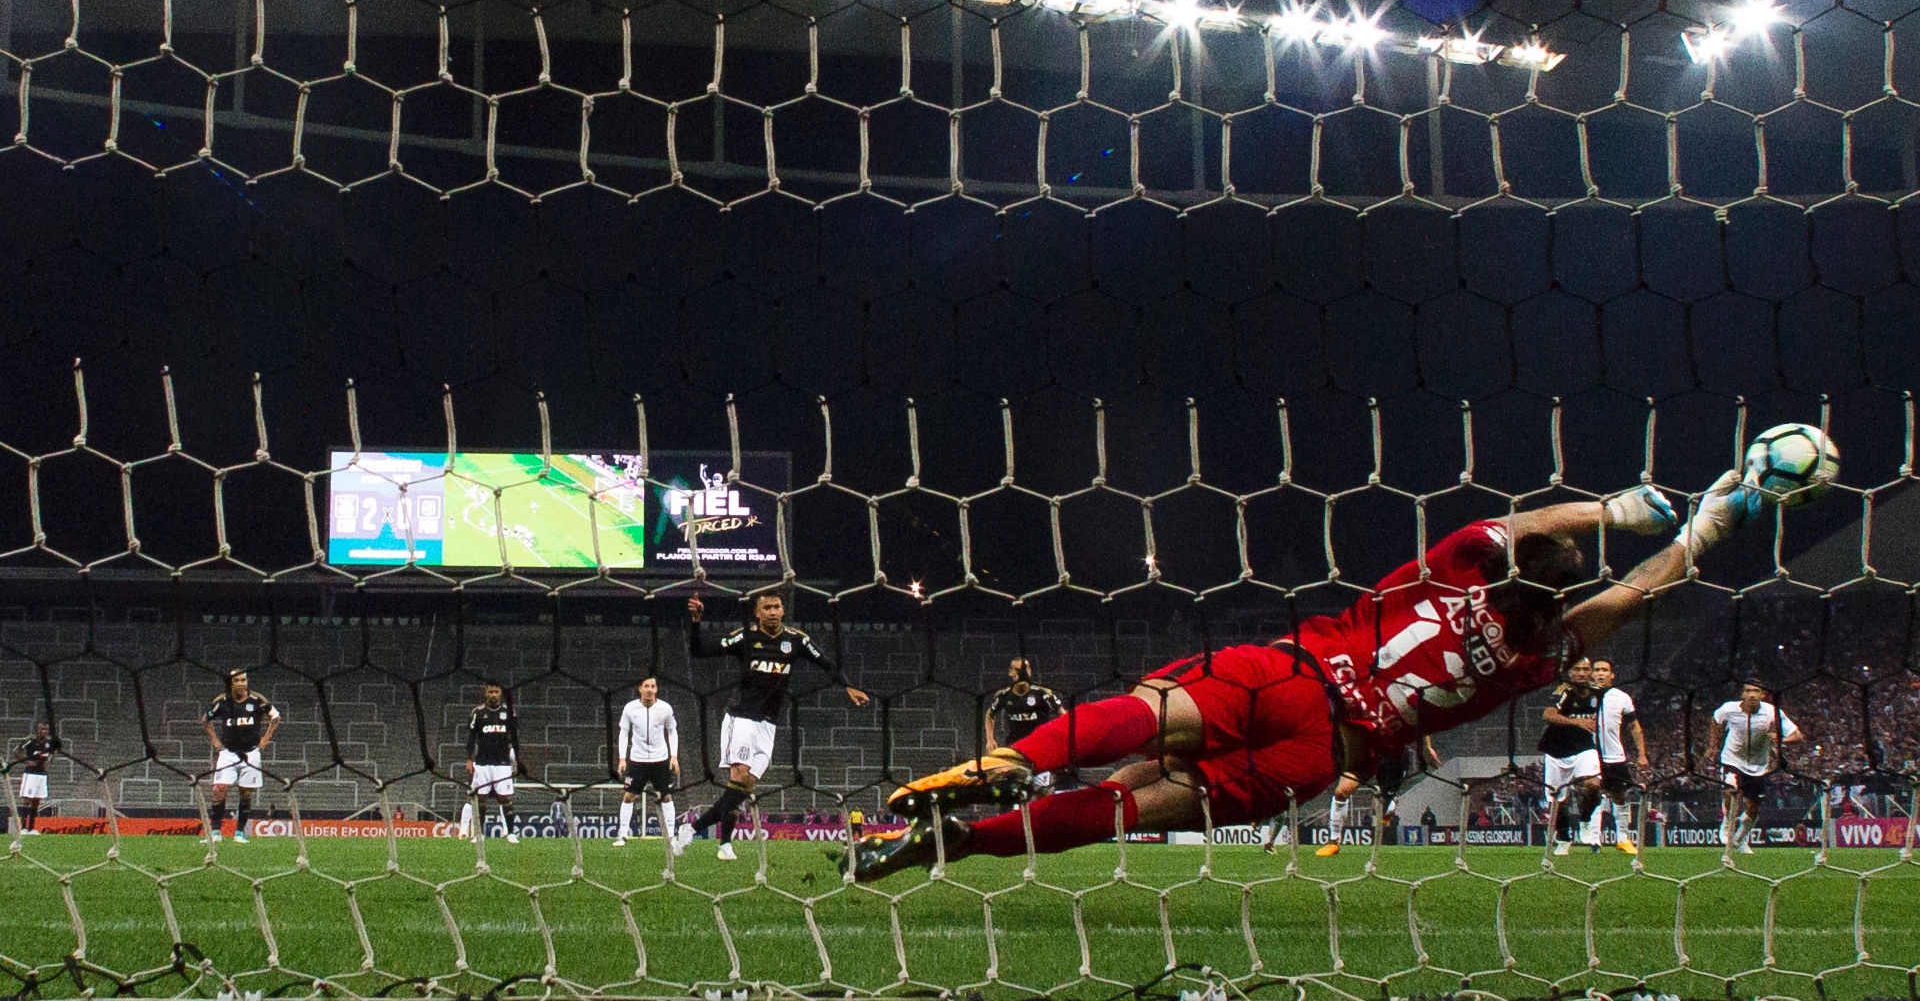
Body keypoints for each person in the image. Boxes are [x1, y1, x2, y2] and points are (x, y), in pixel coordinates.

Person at [849, 476, 1755, 881]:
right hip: (1324, 751)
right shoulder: (1538, 653)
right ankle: (963, 846)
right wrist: (1702, 532)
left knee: (1141, 714)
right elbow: (1633, 594)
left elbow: (1518, 525)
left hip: (1294, 674)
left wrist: (1607, 510)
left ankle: (997, 768)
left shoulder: (1455, 565)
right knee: (1128, 807)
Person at [676, 592, 870, 861]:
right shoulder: (744, 637)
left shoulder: (796, 640)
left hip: (769, 725)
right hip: (741, 719)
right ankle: (724, 844)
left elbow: (827, 663)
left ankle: (691, 828)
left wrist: (848, 685)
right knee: (739, 777)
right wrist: (696, 621)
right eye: (767, 607)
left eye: (777, 606)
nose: (773, 612)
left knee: (744, 788)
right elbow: (699, 651)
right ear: (757, 613)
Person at [1274, 734, 1438, 856]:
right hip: (1364, 752)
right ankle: (1334, 841)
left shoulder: (1395, 695)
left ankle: (1390, 805)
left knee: (1382, 808)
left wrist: (1426, 747)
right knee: (1341, 791)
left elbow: (1419, 715)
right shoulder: (1357, 695)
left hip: (1394, 756)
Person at [1710, 679, 1801, 856]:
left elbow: (1797, 735)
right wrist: (1712, 746)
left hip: (1758, 767)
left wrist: (1780, 740)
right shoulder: (1729, 709)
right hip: (1732, 759)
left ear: (1762, 695)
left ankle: (1741, 838)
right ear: (1742, 694)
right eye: (1748, 691)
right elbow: (1715, 720)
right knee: (1731, 790)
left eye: (1756, 691)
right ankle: (1727, 824)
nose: (1752, 694)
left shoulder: (1772, 713)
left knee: (1753, 807)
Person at [202, 670, 279, 844]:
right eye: (237, 680)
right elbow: (205, 719)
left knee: (245, 793)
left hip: (251, 753)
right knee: (218, 789)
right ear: (231, 683)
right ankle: (215, 832)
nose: (241, 683)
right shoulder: (222, 702)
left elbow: (275, 716)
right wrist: (215, 741)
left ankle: (239, 833)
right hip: (228, 753)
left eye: (243, 679)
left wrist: (266, 739)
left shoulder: (257, 700)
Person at [1540, 657, 1600, 856]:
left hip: (1584, 748)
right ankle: (1564, 839)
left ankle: (1585, 819)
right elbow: (1548, 715)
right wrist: (1577, 723)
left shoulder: (1597, 693)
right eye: (1578, 669)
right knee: (1558, 800)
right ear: (1570, 672)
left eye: (1586, 669)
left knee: (1594, 785)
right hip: (1557, 751)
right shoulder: (1564, 690)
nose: (1582, 673)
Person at [1587, 658, 1645, 854]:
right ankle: (1594, 840)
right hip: (1590, 755)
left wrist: (1642, 754)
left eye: (1605, 670)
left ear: (1612, 675)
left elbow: (1634, 726)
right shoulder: (1584, 696)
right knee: (1593, 792)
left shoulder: (1621, 697)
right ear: (1591, 674)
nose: (1600, 673)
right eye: (1597, 670)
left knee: (1619, 796)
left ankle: (1623, 838)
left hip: (1615, 756)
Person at [985, 659, 1066, 794]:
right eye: (1017, 670)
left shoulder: (1042, 693)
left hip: (1040, 750)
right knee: (1012, 789)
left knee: (1043, 791)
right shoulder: (1004, 695)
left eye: (1024, 670)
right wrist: (990, 739)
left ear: (1029, 672)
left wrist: (1061, 738)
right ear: (1011, 673)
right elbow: (989, 715)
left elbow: (1063, 714)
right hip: (1016, 749)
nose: (1021, 674)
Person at [614, 677, 679, 849]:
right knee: (628, 796)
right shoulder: (630, 708)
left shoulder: (665, 708)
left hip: (660, 760)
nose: (650, 689)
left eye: (653, 686)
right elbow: (624, 732)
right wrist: (622, 758)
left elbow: (672, 731)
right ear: (640, 689)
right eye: (646, 686)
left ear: (656, 689)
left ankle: (671, 836)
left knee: (666, 796)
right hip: (637, 761)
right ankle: (622, 835)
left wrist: (674, 756)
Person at [462, 683, 521, 844]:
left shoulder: (508, 712)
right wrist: (469, 758)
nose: (493, 694)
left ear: (500, 693)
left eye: (496, 691)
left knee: (506, 798)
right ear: (486, 693)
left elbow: (514, 737)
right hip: (482, 763)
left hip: (502, 763)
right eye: (490, 691)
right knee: (480, 799)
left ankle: (510, 833)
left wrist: (516, 759)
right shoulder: (478, 713)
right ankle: (479, 834)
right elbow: (471, 738)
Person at [11, 721, 56, 835]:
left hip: (41, 775)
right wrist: (26, 761)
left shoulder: (49, 743)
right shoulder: (31, 740)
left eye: (46, 729)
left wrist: (48, 762)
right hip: (30, 774)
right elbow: (16, 751)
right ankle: (23, 828)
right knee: (27, 800)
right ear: (38, 730)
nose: (45, 731)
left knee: (36, 801)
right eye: (43, 729)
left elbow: (53, 752)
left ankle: (31, 828)